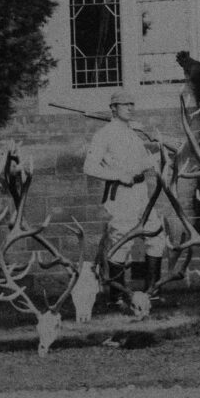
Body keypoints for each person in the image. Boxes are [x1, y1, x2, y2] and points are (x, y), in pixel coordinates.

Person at [82, 90, 167, 306]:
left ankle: (151, 292)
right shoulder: (104, 134)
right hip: (122, 194)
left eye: (132, 104)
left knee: (156, 236)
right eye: (124, 104)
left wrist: (162, 148)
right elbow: (89, 166)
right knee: (122, 242)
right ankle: (117, 297)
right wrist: (118, 175)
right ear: (113, 108)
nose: (130, 107)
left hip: (141, 192)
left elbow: (142, 164)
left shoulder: (132, 133)